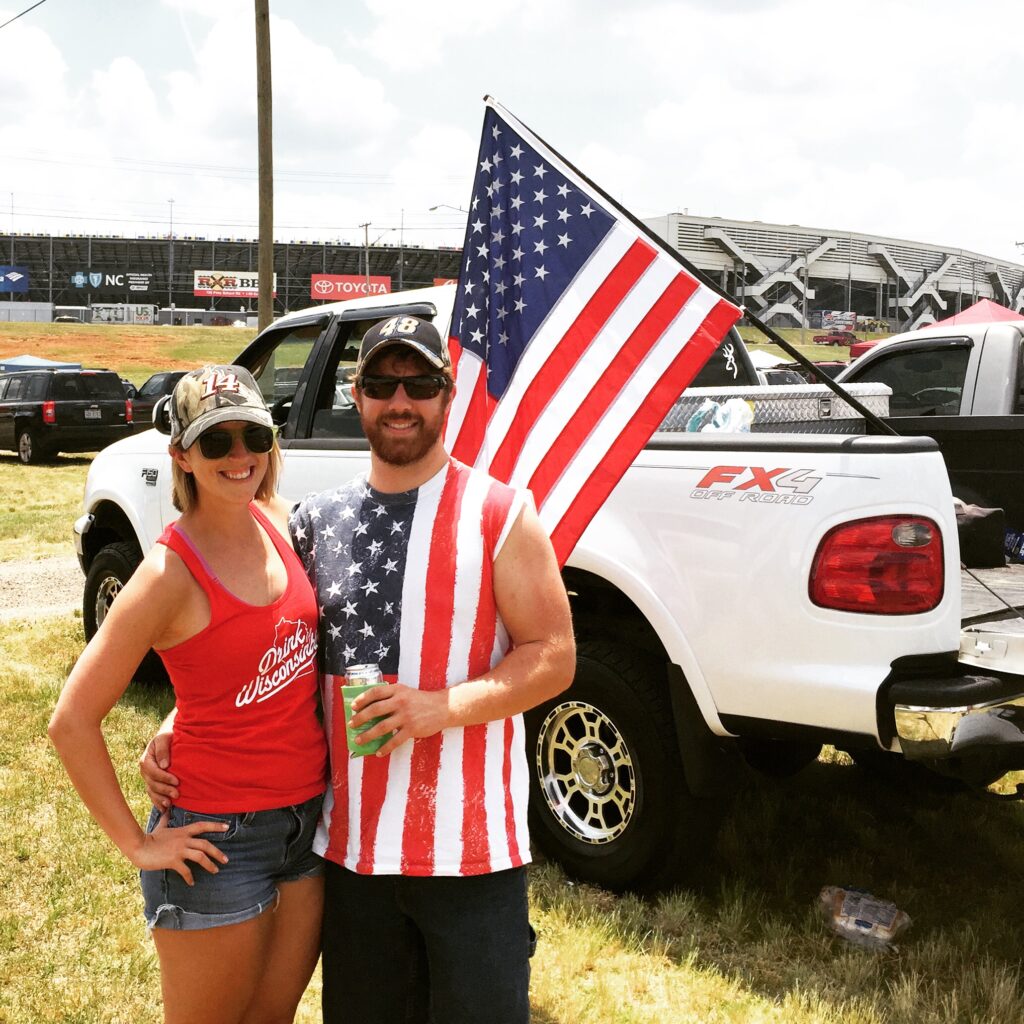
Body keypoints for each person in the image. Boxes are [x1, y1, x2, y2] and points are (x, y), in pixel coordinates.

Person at [144, 317, 576, 1023]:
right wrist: (177, 717)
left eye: (420, 384)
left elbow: (554, 657)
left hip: (473, 858)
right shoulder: (318, 521)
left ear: (449, 392)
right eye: (381, 383)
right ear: (357, 393)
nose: (400, 400)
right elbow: (270, 644)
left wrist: (438, 708)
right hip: (351, 856)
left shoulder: (501, 513)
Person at [49, 365, 328, 1024]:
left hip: (308, 825)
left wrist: (178, 714)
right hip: (216, 838)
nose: (240, 456)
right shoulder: (167, 573)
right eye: (215, 441)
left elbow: (250, 665)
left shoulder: (279, 524)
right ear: (181, 454)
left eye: (252, 436)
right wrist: (140, 846)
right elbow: (71, 720)